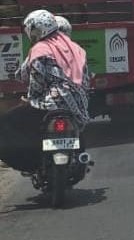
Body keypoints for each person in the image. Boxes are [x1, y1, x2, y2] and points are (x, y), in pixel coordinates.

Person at [0, 10, 90, 171]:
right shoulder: (76, 49)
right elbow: (86, 79)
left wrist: (30, 99)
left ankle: (28, 163)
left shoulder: (40, 49)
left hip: (49, 104)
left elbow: (36, 82)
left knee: (7, 122)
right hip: (77, 106)